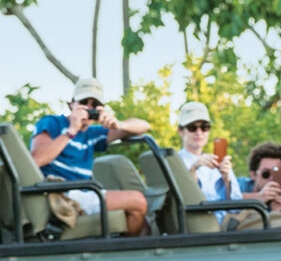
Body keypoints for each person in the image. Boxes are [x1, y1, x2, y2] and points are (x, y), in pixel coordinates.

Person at [30, 77, 150, 235]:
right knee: (137, 201)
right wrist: (71, 131)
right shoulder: (52, 123)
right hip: (60, 192)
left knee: (143, 212)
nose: (88, 108)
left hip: (85, 193)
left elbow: (144, 126)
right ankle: (128, 254)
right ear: (71, 104)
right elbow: (36, 159)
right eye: (83, 102)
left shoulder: (93, 134)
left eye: (94, 105)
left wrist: (119, 125)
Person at [176, 101, 242, 223]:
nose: (199, 132)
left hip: (229, 221)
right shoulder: (174, 162)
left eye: (204, 127)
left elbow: (236, 207)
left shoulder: (216, 160)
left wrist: (227, 179)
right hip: (204, 223)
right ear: (181, 131)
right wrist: (193, 170)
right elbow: (186, 203)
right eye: (192, 127)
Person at [238, 142, 281, 214]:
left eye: (277, 173)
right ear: (253, 175)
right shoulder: (239, 186)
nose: (271, 178)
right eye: (266, 174)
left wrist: (276, 212)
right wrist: (258, 198)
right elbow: (227, 199)